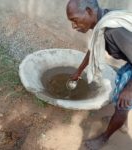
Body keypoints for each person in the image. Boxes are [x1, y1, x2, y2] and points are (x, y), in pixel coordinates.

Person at [66, 0, 132, 150]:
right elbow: (94, 48)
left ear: (89, 11)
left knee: (123, 101)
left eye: (75, 20)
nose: (74, 26)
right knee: (122, 98)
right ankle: (122, 123)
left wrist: (129, 90)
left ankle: (104, 138)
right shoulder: (103, 22)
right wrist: (79, 71)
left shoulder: (113, 30)